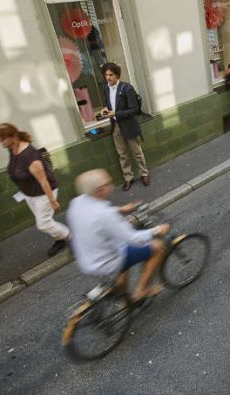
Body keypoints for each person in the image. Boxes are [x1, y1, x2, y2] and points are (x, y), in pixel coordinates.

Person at [67, 169, 170, 302]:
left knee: (124, 254)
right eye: (108, 183)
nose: (112, 185)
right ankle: (141, 290)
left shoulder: (77, 202)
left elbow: (94, 212)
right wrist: (156, 230)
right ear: (100, 190)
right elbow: (133, 238)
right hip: (105, 262)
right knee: (157, 247)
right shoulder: (105, 215)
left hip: (85, 259)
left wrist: (120, 209)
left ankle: (124, 300)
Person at [0, 123, 70, 257]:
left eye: (2, 139)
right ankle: (59, 240)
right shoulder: (12, 149)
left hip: (44, 193)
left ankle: (71, 237)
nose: (0, 143)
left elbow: (43, 181)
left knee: (43, 224)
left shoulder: (30, 156)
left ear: (12, 137)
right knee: (46, 220)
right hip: (29, 193)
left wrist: (52, 201)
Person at [101, 62, 149, 192]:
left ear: (117, 75)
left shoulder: (127, 88)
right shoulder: (106, 88)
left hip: (129, 125)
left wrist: (116, 113)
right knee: (122, 154)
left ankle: (144, 173)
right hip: (116, 126)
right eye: (106, 75)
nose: (108, 77)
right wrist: (106, 109)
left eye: (111, 75)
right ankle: (128, 177)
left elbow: (134, 109)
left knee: (137, 152)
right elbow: (107, 102)